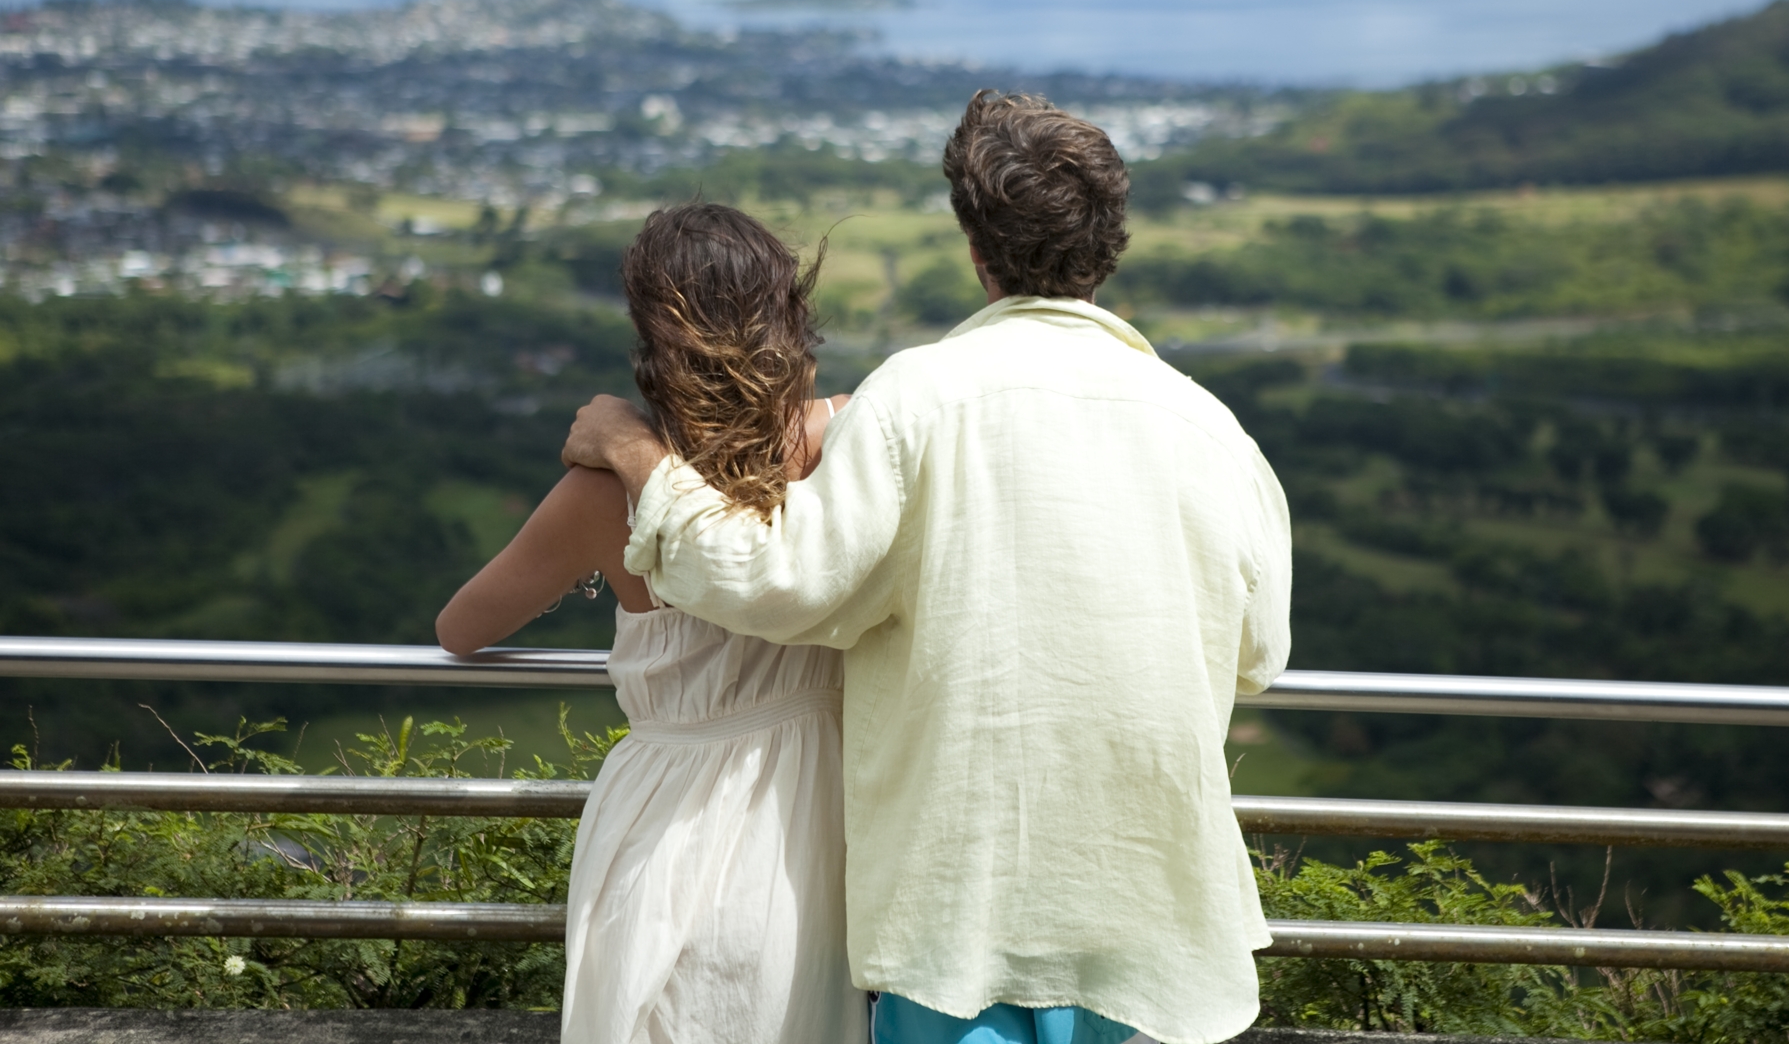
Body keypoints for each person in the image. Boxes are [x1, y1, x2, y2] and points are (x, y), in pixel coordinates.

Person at [563, 91, 1293, 1044]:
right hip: (1149, 915)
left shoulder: (916, 398)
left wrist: (636, 453)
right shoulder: (1210, 427)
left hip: (965, 915)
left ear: (974, 245)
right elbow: (1259, 651)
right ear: (1108, 246)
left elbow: (782, 584)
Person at [434, 202, 869, 1044]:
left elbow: (461, 626)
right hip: (815, 829)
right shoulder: (844, 443)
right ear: (787, 311)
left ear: (653, 336)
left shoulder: (609, 492)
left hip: (668, 828)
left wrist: (597, 559)